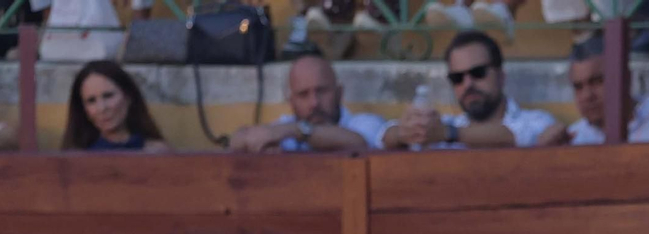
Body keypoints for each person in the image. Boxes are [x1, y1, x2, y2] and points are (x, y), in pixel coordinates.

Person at [382, 30, 556, 150]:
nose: (468, 84)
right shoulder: (443, 128)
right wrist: (405, 132)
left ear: (501, 75)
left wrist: (448, 133)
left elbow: (520, 136)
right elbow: (381, 135)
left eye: (477, 73)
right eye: (457, 78)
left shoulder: (537, 121)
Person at [228, 53, 388, 153]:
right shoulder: (285, 129)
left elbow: (358, 142)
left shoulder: (365, 123)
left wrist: (298, 131)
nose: (314, 103)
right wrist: (261, 145)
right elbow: (239, 140)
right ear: (291, 101)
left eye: (322, 91)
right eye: (303, 95)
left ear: (339, 93)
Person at [563, 33, 649, 145]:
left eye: (598, 81)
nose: (587, 95)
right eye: (578, 87)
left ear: (625, 78)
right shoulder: (573, 139)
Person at [60, 61, 170, 152]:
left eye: (108, 96)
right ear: (83, 109)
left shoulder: (156, 152)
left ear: (128, 96)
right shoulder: (76, 158)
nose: (102, 108)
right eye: (91, 101)